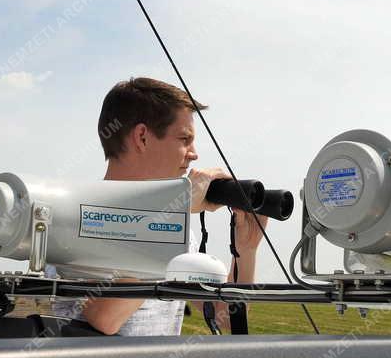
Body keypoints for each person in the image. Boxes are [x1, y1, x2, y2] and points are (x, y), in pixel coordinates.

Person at [52, 77, 267, 335]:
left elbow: (225, 318)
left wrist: (246, 250)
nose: (194, 153)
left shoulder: (175, 226)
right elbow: (106, 317)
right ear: (142, 137)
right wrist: (175, 210)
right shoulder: (75, 216)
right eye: (185, 139)